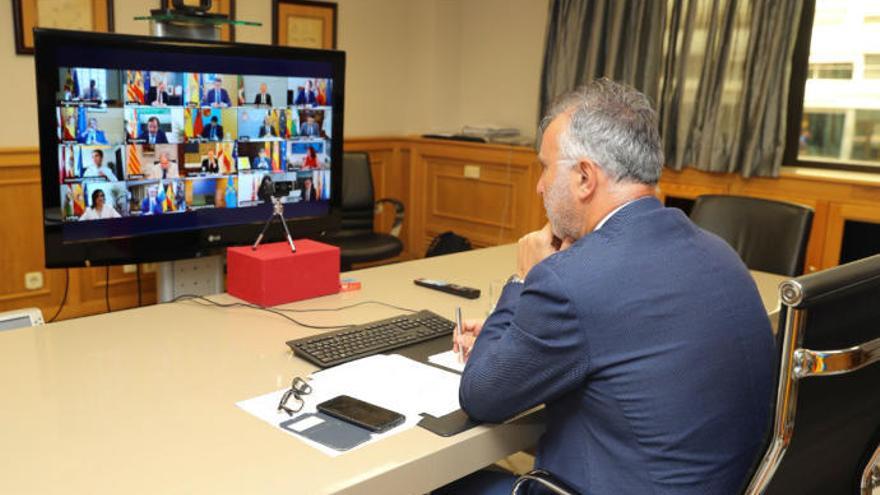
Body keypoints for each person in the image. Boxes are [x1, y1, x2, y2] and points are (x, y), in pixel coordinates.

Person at [444, 79, 775, 495]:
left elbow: (480, 395)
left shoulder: (570, 280)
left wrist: (524, 280)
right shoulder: (720, 253)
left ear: (584, 177)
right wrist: (519, 333)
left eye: (546, 167)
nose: (539, 186)